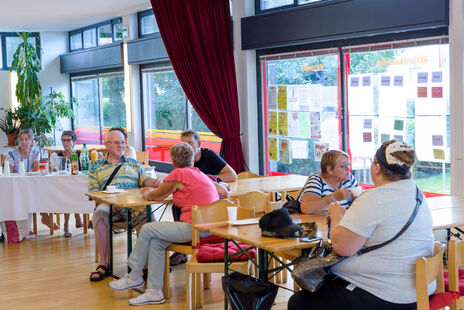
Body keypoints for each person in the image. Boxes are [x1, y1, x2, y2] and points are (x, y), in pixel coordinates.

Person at [288, 140, 434, 310]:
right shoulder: (417, 193)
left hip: (385, 294)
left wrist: (337, 216)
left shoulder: (375, 197)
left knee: (299, 302)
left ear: (377, 168)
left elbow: (342, 247)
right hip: (420, 289)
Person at [108, 142, 228, 305]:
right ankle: (154, 291)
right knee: (157, 243)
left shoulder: (179, 174)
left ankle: (134, 275)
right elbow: (222, 192)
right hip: (211, 229)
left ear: (173, 161)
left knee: (148, 228)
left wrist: (148, 193)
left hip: (195, 229)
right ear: (192, 159)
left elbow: (155, 196)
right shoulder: (199, 174)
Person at [88, 127, 161, 281]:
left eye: (123, 143)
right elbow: (93, 192)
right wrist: (109, 199)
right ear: (107, 145)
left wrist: (154, 183)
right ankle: (103, 264)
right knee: (99, 214)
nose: (121, 145)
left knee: (147, 216)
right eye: (116, 143)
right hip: (109, 205)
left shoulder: (134, 164)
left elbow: (145, 181)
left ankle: (147, 265)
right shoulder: (96, 166)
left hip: (133, 206)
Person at [169, 130, 237, 265]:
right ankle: (182, 248)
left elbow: (232, 175)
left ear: (199, 144)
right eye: (183, 144)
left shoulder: (209, 155)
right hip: (192, 202)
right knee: (176, 205)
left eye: (190, 143)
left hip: (212, 200)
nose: (186, 147)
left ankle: (201, 240)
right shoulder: (183, 161)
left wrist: (204, 179)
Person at [5, 129, 41, 238]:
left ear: (32, 142)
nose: (23, 142)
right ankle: (23, 229)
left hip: (31, 186)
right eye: (21, 139)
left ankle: (41, 217)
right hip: (16, 187)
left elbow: (35, 172)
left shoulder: (36, 153)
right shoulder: (12, 154)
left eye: (26, 139)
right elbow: (9, 175)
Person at [299, 150, 358, 214]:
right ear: (329, 170)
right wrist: (334, 197)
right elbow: (307, 209)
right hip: (320, 222)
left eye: (348, 165)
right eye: (342, 166)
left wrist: (357, 198)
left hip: (342, 221)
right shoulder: (316, 180)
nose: (348, 169)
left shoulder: (349, 178)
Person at [54, 130, 83, 238]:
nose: (66, 143)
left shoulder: (80, 154)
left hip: (78, 185)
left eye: (68, 140)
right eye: (63, 140)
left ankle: (72, 221)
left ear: (74, 142)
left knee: (74, 191)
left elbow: (85, 169)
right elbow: (55, 172)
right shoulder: (57, 156)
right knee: (67, 192)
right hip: (62, 186)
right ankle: (71, 221)